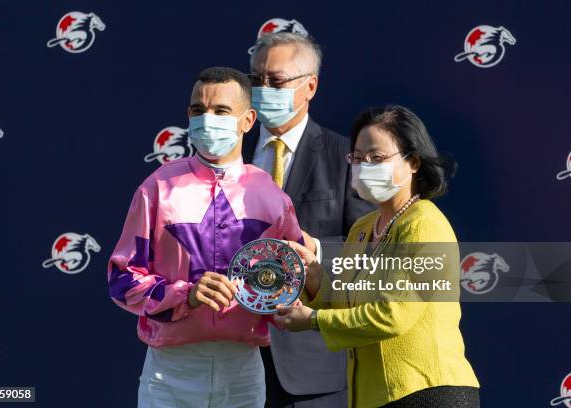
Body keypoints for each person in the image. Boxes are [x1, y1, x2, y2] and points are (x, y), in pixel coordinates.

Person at [107, 66, 305, 408]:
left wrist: (286, 300)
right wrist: (185, 295)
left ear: (248, 120)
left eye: (221, 111)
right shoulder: (156, 189)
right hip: (172, 372)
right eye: (198, 110)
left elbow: (294, 281)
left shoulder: (272, 197)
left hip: (242, 372)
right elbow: (121, 279)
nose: (207, 119)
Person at [274, 105, 481, 407]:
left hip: (426, 393)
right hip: (372, 396)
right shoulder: (363, 227)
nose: (364, 166)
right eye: (357, 158)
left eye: (377, 158)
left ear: (413, 162)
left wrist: (314, 320)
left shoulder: (425, 224)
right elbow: (348, 302)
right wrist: (315, 276)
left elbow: (392, 315)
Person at [242, 31, 372, 408]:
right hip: (232, 358)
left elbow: (367, 251)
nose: (263, 89)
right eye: (255, 79)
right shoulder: (228, 155)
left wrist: (313, 252)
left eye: (276, 81)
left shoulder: (347, 159)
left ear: (309, 86)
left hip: (312, 368)